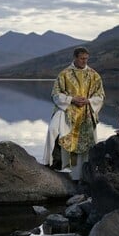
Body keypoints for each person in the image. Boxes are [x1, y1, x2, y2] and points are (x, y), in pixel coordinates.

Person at [43, 46, 105, 181]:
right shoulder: (64, 74)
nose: (84, 61)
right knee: (65, 139)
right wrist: (72, 99)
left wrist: (89, 101)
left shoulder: (94, 75)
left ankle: (86, 175)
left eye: (86, 59)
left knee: (88, 144)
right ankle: (70, 174)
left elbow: (100, 95)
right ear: (75, 58)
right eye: (82, 59)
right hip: (69, 113)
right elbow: (55, 95)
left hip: (87, 114)